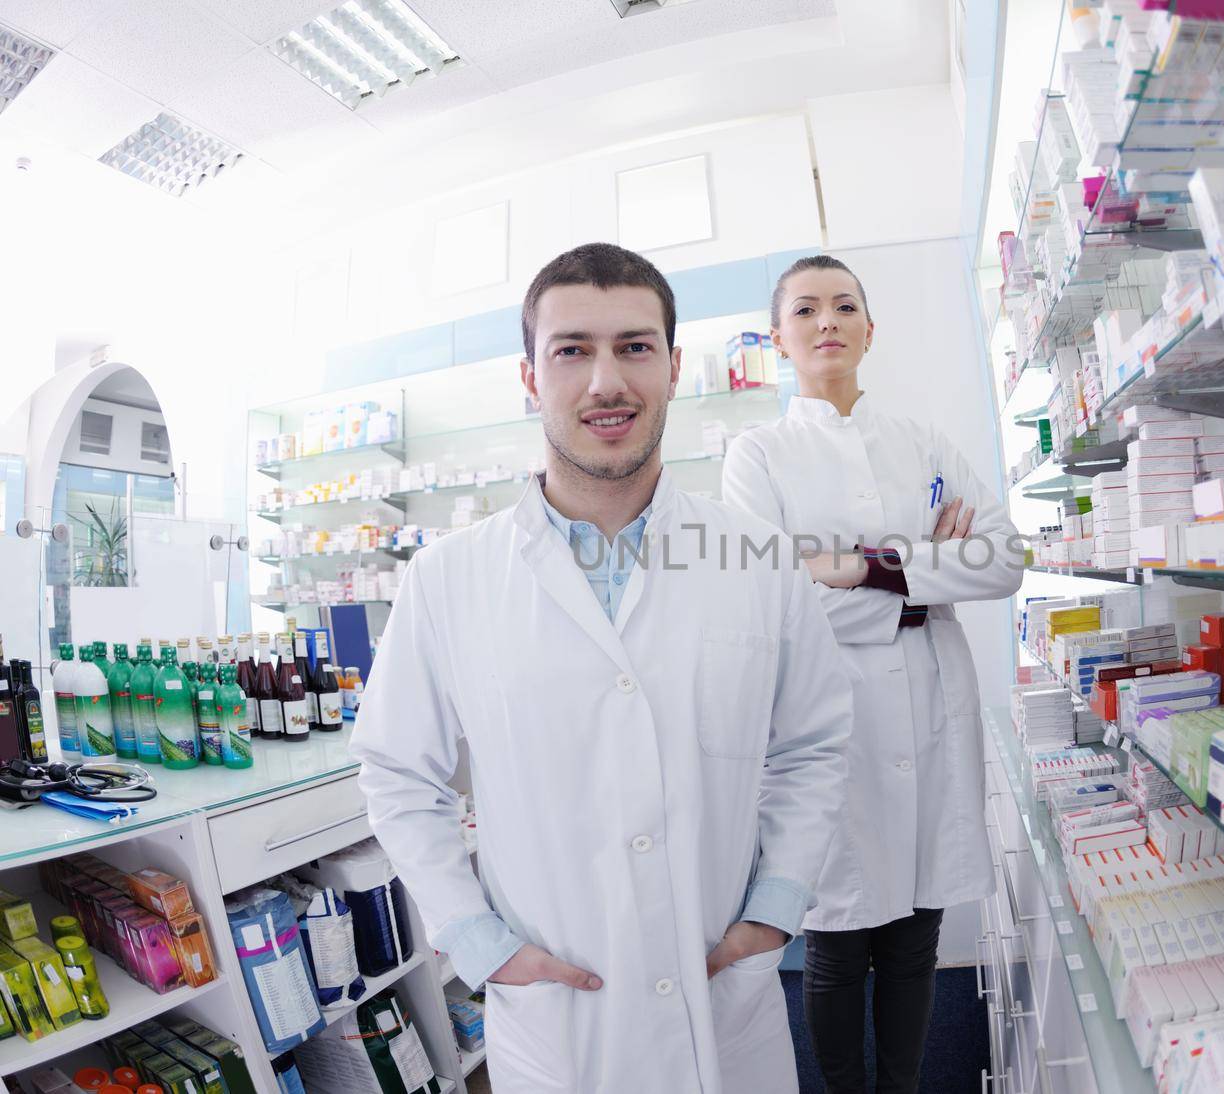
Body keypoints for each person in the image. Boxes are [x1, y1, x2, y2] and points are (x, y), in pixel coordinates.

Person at [352, 243, 854, 1093]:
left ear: (672, 365)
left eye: (634, 347)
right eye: (572, 350)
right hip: (559, 1024)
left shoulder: (758, 558)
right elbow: (400, 772)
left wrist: (774, 909)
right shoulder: (448, 578)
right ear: (529, 373)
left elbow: (814, 745)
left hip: (722, 1001)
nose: (605, 382)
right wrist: (478, 940)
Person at [721, 254, 1026, 1093]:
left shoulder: (921, 442)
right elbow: (770, 606)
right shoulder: (758, 456)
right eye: (807, 310)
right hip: (829, 727)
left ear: (869, 328)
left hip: (929, 710)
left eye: (845, 305)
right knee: (836, 937)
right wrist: (923, 572)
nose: (828, 321)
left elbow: (1002, 561)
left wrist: (858, 568)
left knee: (916, 934)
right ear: (779, 338)